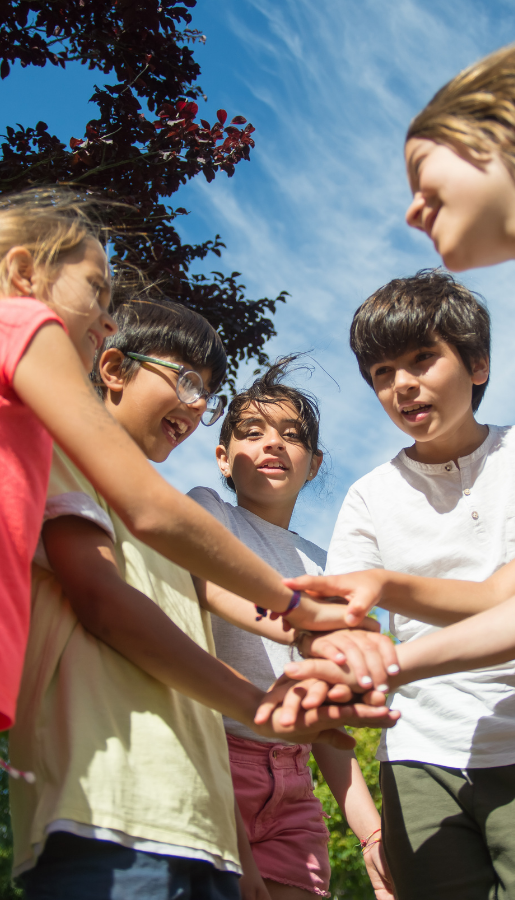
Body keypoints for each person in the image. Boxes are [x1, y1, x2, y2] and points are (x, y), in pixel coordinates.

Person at [9, 299, 397, 900]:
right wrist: (268, 683)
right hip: (109, 804)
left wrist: (314, 630)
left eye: (207, 393)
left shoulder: (179, 535)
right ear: (110, 367)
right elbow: (114, 600)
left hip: (203, 805)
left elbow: (217, 600)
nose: (195, 404)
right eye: (187, 380)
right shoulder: (143, 498)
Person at [283, 19, 515, 691]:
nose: (409, 211)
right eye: (381, 373)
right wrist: (383, 665)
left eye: (422, 173)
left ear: (503, 140)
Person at [0, 186, 387, 734]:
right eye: (95, 291)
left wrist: (296, 632)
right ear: (22, 273)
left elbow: (200, 581)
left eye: (207, 392)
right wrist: (295, 610)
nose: (109, 321)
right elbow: (147, 515)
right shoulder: (20, 324)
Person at [284, 272, 515, 900]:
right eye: (381, 372)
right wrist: (328, 649)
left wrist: (383, 598)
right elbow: (334, 621)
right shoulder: (369, 496)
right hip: (418, 758)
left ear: (478, 363)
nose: (401, 384)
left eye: (421, 359)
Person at [188, 359, 395, 900]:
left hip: (294, 781)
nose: (273, 444)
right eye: (252, 433)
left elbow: (326, 724)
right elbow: (210, 588)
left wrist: (371, 832)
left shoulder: (326, 565)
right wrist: (299, 624)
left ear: (314, 462)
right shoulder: (209, 513)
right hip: (214, 756)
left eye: (292, 436)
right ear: (223, 458)